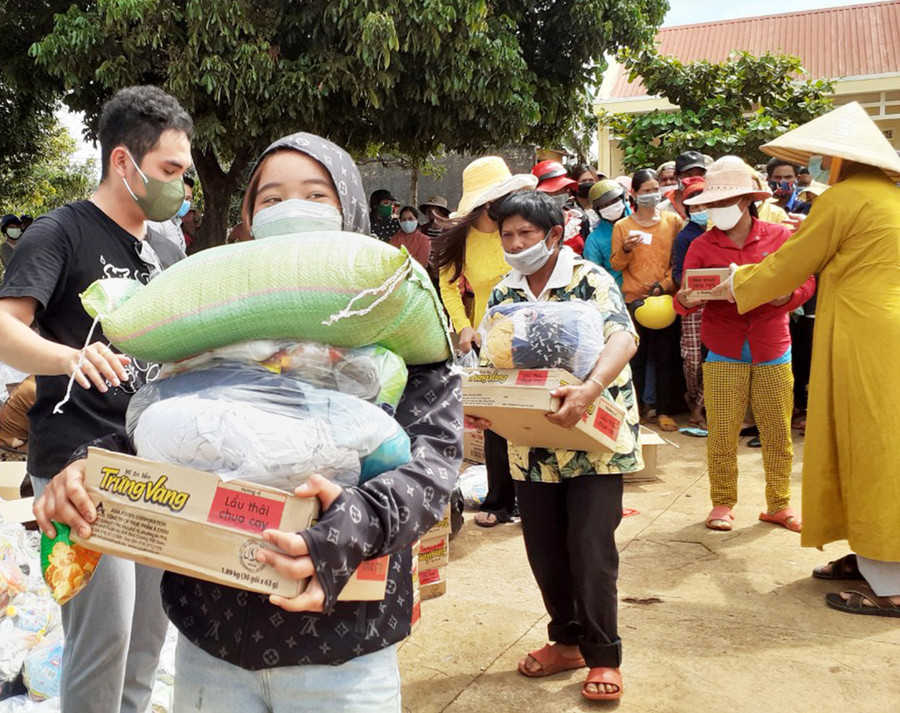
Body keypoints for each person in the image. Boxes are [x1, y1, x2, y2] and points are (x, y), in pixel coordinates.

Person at [34, 130, 462, 712]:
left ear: (352, 211)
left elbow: (432, 468)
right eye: (271, 199)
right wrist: (86, 469)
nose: (292, 211)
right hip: (212, 645)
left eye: (317, 196)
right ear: (248, 218)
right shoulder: (210, 328)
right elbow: (157, 436)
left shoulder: (390, 318)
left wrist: (350, 523)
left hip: (340, 650)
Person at [0, 85, 193, 713]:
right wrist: (69, 358)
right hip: (75, 468)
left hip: (153, 462)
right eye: (169, 170)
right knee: (102, 636)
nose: (179, 185)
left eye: (183, 173)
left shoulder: (168, 248)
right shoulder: (60, 231)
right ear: (122, 162)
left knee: (147, 637)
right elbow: (7, 325)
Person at [712, 102, 900, 616]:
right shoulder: (888, 196)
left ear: (841, 160)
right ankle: (869, 554)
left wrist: (737, 282)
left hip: (866, 331)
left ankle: (893, 579)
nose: (817, 165)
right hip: (876, 328)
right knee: (865, 438)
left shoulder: (844, 198)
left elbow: (794, 260)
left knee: (871, 443)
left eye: (822, 158)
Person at [468, 190, 640, 702]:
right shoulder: (504, 293)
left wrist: (589, 389)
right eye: (508, 235)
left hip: (591, 434)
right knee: (543, 547)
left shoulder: (589, 279)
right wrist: (477, 403)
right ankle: (565, 641)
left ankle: (602, 654)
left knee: (590, 546)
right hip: (530, 440)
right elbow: (490, 361)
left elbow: (623, 336)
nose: (517, 243)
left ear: (554, 235)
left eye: (526, 233)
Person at [676, 156, 815, 533]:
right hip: (722, 346)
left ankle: (779, 504)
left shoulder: (780, 236)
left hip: (773, 344)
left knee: (776, 431)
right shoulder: (702, 245)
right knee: (721, 430)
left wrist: (781, 296)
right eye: (711, 204)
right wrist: (686, 301)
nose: (715, 210)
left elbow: (806, 284)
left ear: (744, 201)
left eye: (723, 202)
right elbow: (683, 294)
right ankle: (722, 503)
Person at [438, 156, 537, 528]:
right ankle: (498, 501)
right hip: (488, 340)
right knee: (496, 421)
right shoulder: (460, 239)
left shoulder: (524, 227)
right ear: (486, 204)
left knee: (532, 416)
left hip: (534, 333)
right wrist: (463, 325)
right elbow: (448, 287)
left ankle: (535, 500)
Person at [610, 168, 684, 430]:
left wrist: (664, 286)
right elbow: (617, 264)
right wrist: (627, 248)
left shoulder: (671, 222)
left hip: (664, 301)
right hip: (633, 301)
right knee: (635, 359)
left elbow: (678, 263)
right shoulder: (623, 226)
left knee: (665, 358)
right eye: (646, 191)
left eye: (655, 189)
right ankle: (637, 410)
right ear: (634, 194)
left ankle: (664, 411)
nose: (652, 195)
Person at [671, 177, 708, 427]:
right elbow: (676, 272)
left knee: (714, 358)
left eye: (703, 205)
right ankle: (692, 396)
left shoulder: (722, 234)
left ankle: (700, 408)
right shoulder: (685, 237)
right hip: (693, 303)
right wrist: (689, 289)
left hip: (720, 305)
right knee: (693, 358)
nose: (699, 211)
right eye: (693, 207)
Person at [532, 160, 585, 253]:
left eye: (564, 189)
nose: (560, 194)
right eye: (555, 191)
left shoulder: (579, 219)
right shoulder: (529, 223)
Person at [583, 179, 630, 286]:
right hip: (617, 296)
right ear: (597, 210)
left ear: (622, 199)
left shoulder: (641, 223)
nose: (610, 206)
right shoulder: (594, 240)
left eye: (614, 201)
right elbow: (594, 276)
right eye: (604, 205)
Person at [146, 174, 194, 253]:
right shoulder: (157, 222)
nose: (188, 203)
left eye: (189, 200)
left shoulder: (176, 223)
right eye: (186, 198)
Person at [661, 150, 707, 219]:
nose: (694, 179)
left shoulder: (714, 204)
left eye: (699, 174)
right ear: (676, 176)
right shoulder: (662, 209)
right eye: (688, 175)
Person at [389, 205, 431, 269]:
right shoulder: (394, 239)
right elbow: (391, 261)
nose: (407, 222)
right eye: (404, 219)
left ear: (416, 220)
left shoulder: (424, 240)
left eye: (410, 219)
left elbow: (422, 264)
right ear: (400, 222)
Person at [569, 163, 603, 232]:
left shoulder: (603, 209)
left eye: (591, 180)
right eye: (583, 181)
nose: (588, 183)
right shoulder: (569, 212)